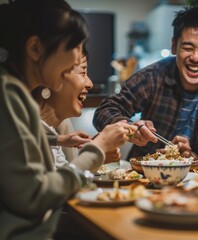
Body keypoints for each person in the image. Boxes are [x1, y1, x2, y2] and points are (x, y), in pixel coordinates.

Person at [0, 0, 136, 239]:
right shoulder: (8, 95)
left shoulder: (14, 91)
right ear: (35, 48)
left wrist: (57, 140)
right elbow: (35, 196)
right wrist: (98, 149)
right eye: (72, 46)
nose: (76, 58)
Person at [93, 6, 198, 168]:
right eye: (187, 48)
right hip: (145, 175)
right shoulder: (153, 76)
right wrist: (132, 129)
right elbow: (105, 110)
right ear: (174, 46)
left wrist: (195, 157)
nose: (195, 57)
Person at [33, 48, 121, 172]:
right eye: (83, 72)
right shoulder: (19, 132)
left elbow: (68, 175)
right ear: (53, 77)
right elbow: (55, 186)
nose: (90, 83)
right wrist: (98, 148)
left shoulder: (60, 127)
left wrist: (95, 155)